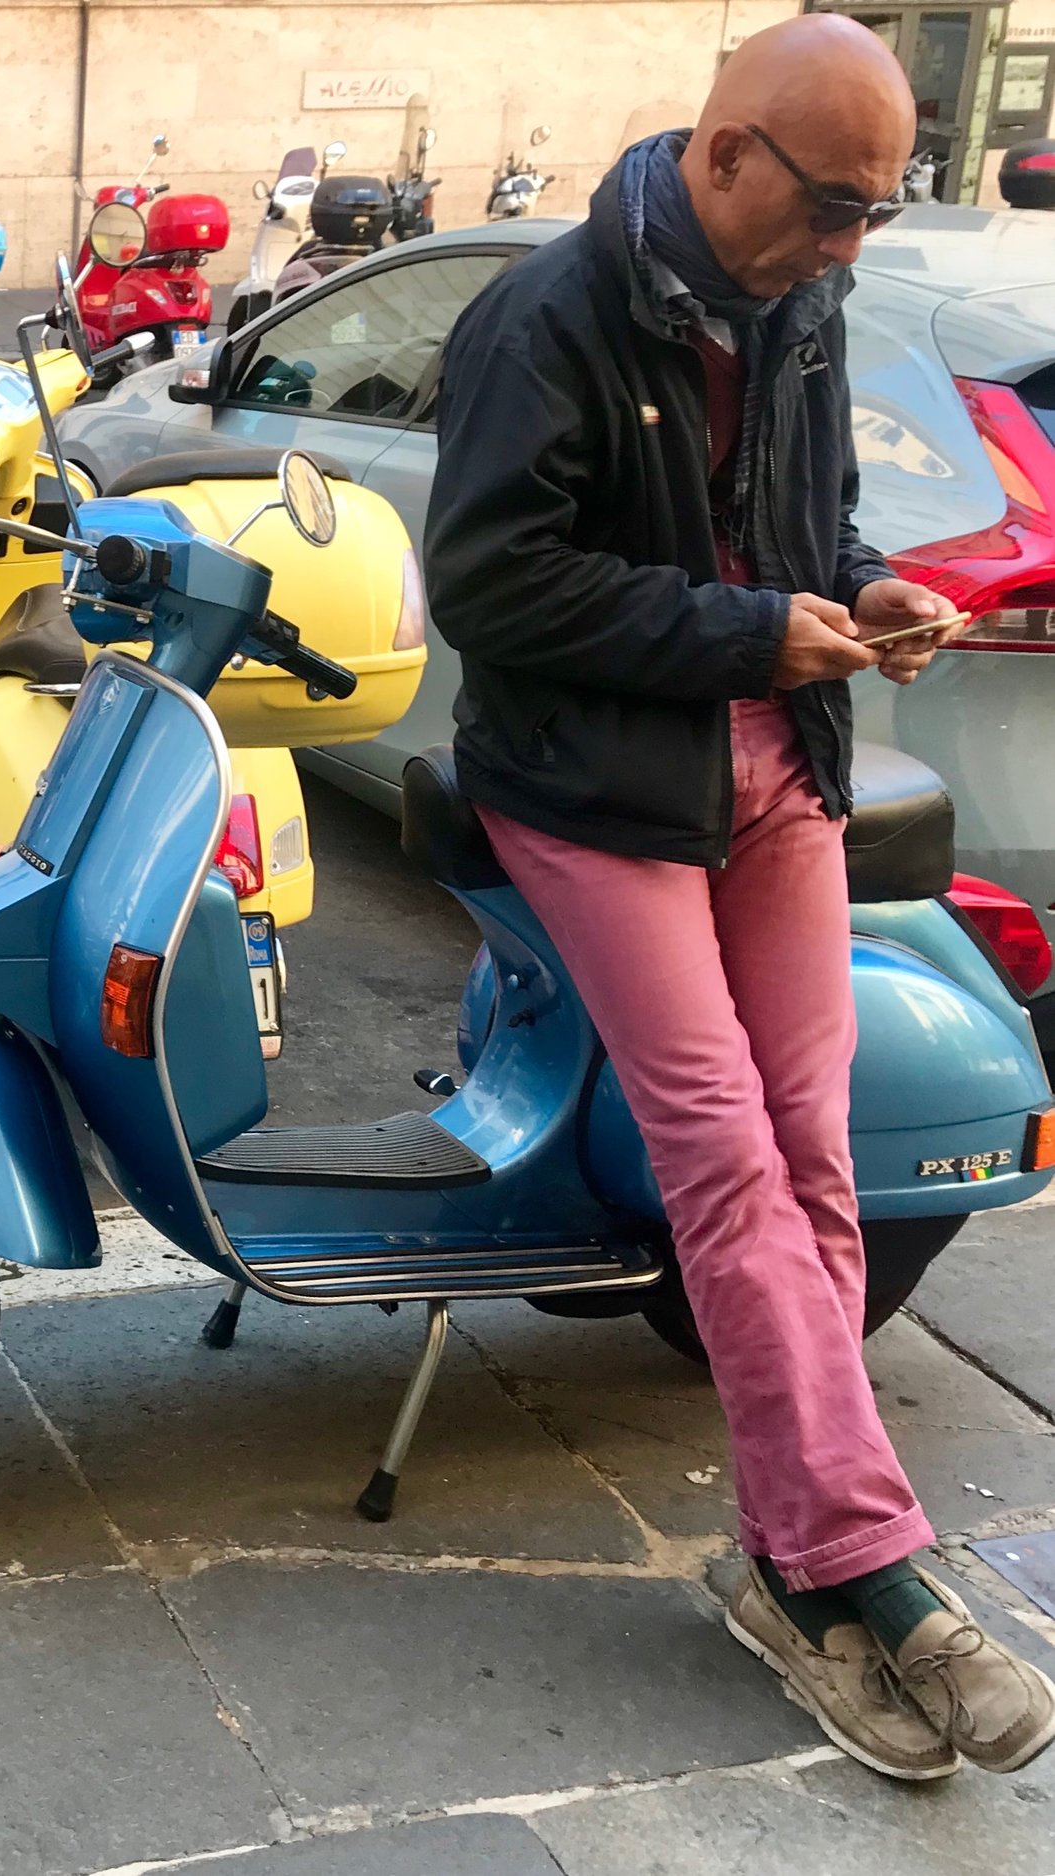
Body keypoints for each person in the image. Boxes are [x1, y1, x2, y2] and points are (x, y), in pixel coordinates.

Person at [425, 14, 1055, 1783]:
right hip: (592, 789)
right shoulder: (536, 322)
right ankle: (878, 1571)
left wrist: (873, 596)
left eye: (878, 209)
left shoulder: (799, 303)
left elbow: (812, 527)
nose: (856, 245)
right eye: (840, 206)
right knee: (719, 1144)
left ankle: (804, 1552)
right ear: (723, 159)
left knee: (815, 1144)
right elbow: (489, 586)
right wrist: (738, 630)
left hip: (774, 758)